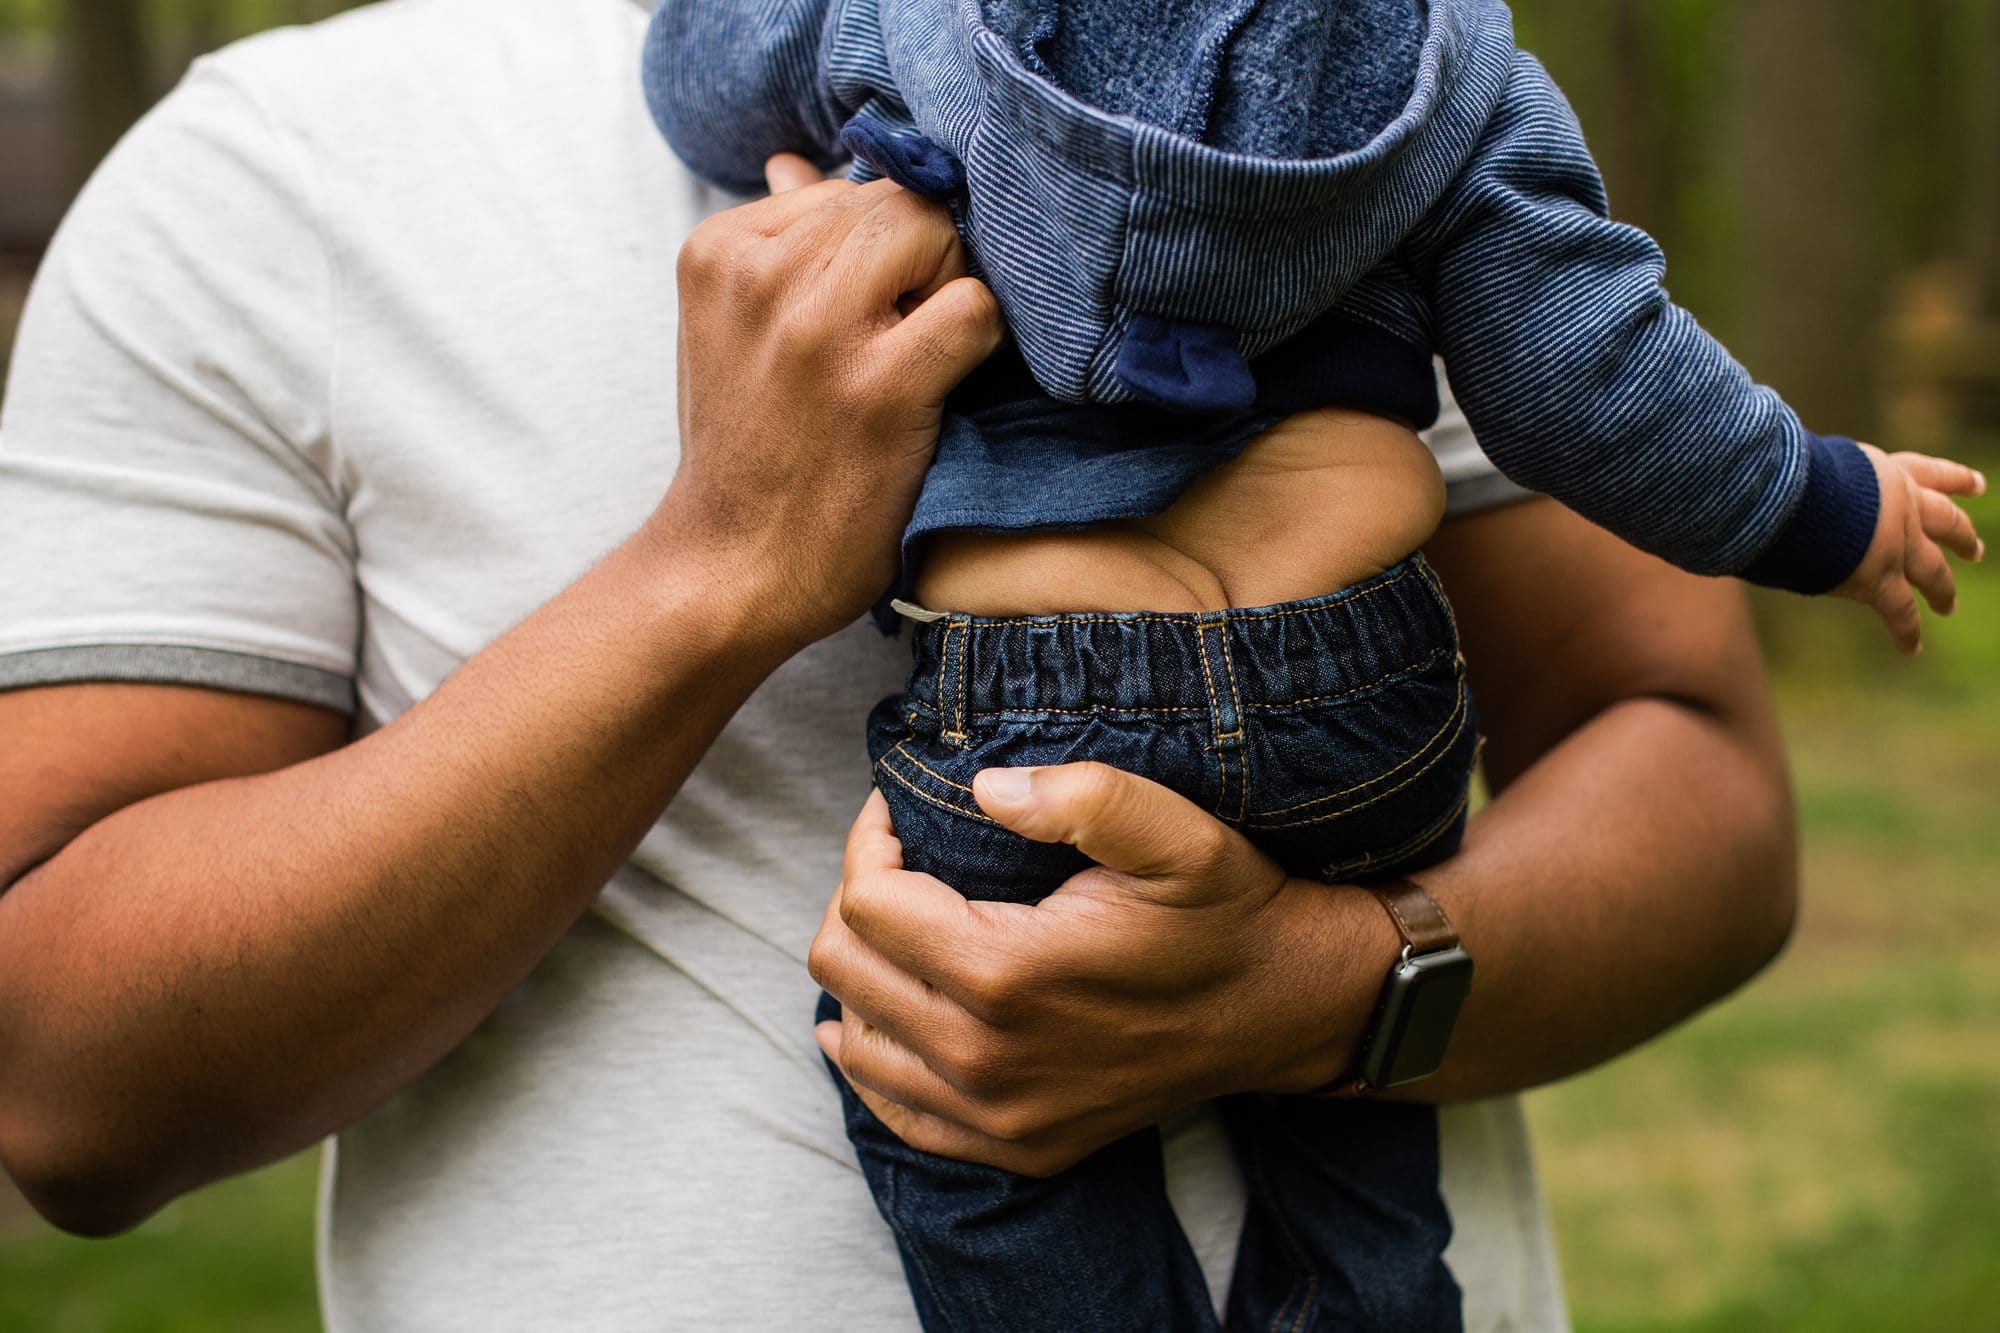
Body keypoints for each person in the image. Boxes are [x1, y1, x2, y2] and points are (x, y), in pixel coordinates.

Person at [0, 2, 1794, 1329]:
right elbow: (63, 1077)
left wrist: (1330, 992)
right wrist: (715, 573)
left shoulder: (1354, 68)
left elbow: (1693, 764)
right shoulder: (277, 171)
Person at [642, 1, 1984, 1328]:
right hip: (1357, 687)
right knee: (1353, 1136)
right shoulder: (1439, 62)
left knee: (953, 1107)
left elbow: (710, 81)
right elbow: (1589, 375)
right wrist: (1823, 504)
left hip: (1044, 701)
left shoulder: (901, 24)